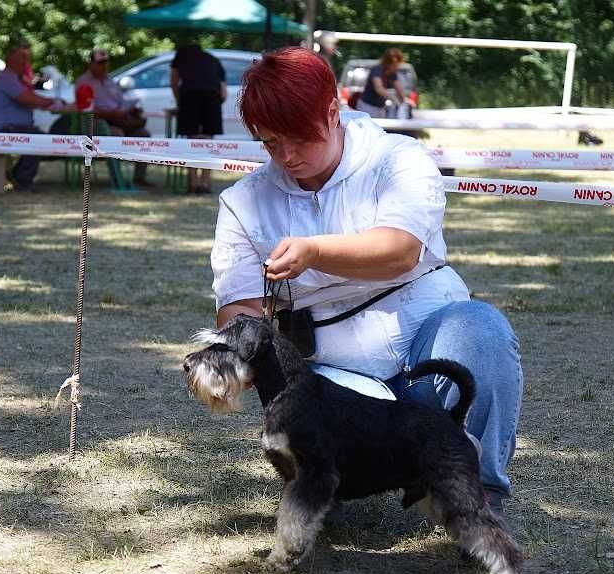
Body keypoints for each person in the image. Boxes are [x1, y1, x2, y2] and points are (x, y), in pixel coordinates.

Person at [210, 47, 522, 515]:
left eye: (299, 138)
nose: (287, 156)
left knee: (482, 330)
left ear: (332, 112)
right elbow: (238, 311)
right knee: (304, 407)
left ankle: (478, 495)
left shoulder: (400, 158)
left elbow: (400, 251)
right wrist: (242, 340)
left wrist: (315, 250)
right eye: (271, 143)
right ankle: (325, 486)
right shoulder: (243, 202)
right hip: (336, 383)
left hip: (428, 341)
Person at [0, 40, 66, 190]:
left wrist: (49, 103)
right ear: (11, 59)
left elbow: (29, 101)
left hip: (15, 127)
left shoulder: (16, 78)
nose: (26, 61)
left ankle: (17, 176)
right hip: (5, 128)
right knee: (40, 139)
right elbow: (27, 99)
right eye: (22, 57)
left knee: (39, 137)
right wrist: (54, 102)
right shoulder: (7, 78)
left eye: (26, 57)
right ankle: (21, 179)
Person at [75, 48, 151, 186]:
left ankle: (139, 178)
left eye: (106, 62)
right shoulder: (83, 82)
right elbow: (87, 110)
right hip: (98, 124)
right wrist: (112, 115)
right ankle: (118, 179)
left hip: (120, 120)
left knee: (143, 134)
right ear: (91, 63)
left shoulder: (111, 81)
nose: (104, 66)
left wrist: (132, 110)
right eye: (100, 63)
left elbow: (121, 103)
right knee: (116, 134)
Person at [170, 43, 227, 194]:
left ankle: (193, 183)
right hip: (212, 97)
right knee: (208, 141)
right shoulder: (213, 59)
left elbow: (174, 82)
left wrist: (179, 103)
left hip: (189, 96)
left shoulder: (180, 56)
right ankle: (206, 184)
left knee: (192, 141)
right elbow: (223, 93)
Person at [356, 48, 414, 118]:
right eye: (394, 64)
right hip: (367, 106)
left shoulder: (392, 73)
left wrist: (405, 100)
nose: (396, 67)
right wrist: (394, 99)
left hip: (380, 107)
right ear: (387, 62)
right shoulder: (377, 70)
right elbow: (379, 89)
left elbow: (399, 88)